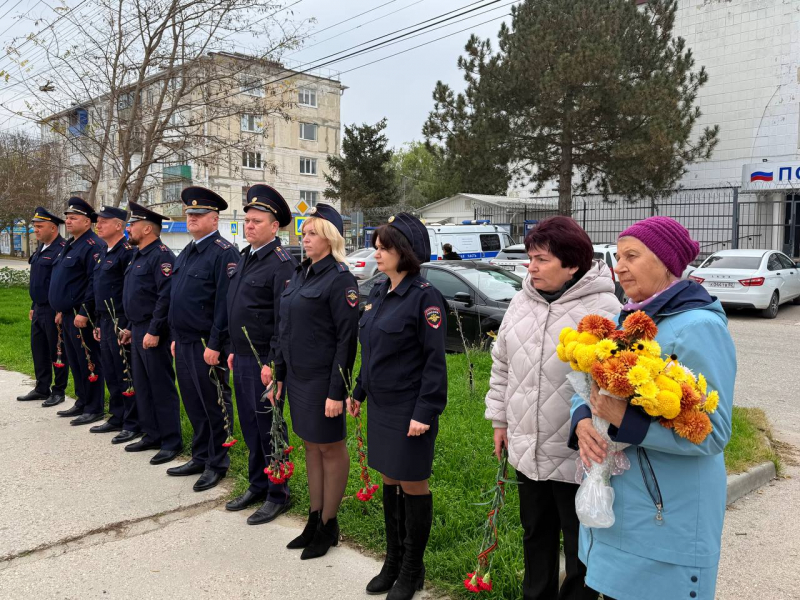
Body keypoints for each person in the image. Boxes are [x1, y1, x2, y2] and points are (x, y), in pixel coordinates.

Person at [568, 216, 736, 600]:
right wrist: (582, 421)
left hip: (665, 519)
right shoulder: (623, 320)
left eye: (632, 255)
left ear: (666, 262)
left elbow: (715, 432)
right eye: (617, 255)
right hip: (616, 513)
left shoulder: (698, 327)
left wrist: (625, 421)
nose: (619, 265)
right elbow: (589, 386)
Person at [484, 216, 620, 600]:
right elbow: (503, 364)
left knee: (580, 545)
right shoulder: (522, 300)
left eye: (541, 259)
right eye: (531, 257)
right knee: (535, 533)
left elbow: (613, 382)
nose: (532, 266)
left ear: (572, 264)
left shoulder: (603, 308)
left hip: (577, 451)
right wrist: (499, 419)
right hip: (528, 445)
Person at [347, 213, 447, 600]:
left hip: (410, 410)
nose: (377, 252)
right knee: (389, 477)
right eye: (377, 245)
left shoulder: (425, 297)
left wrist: (425, 412)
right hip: (382, 406)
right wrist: (358, 392)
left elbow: (435, 363)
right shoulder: (378, 292)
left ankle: (411, 569)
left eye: (384, 246)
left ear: (405, 252)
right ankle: (393, 560)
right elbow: (371, 352)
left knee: (412, 482)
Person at [266, 203, 359, 558]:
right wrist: (278, 375)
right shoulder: (299, 275)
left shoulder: (340, 279)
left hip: (324, 382)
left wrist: (337, 391)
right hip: (298, 380)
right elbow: (284, 329)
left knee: (330, 449)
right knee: (310, 446)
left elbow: (346, 341)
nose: (303, 239)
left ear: (330, 237)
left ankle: (329, 524)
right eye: (303, 233)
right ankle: (314, 517)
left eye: (311, 234)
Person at [225, 184, 298, 522]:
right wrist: (231, 349)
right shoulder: (245, 257)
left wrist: (272, 362)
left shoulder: (281, 264)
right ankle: (257, 483)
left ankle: (278, 491)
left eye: (256, 221)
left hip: (263, 363)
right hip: (240, 357)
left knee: (271, 425)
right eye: (247, 220)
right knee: (251, 425)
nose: (249, 225)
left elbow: (282, 320)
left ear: (274, 226)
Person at [166, 187, 240, 492]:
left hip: (205, 344)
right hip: (183, 341)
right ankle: (200, 455)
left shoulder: (224, 252)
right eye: (189, 214)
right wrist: (174, 335)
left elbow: (225, 303)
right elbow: (178, 296)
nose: (191, 218)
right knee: (193, 402)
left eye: (198, 215)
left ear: (214, 219)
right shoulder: (188, 250)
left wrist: (215, 343)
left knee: (213, 402)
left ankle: (217, 462)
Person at [121, 201, 182, 465]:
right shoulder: (139, 254)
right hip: (136, 328)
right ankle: (152, 433)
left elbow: (165, 296)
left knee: (160, 385)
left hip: (152, 329)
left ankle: (171, 441)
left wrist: (155, 330)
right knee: (143, 385)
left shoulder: (161, 255)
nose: (128, 229)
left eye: (132, 225)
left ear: (147, 229)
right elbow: (134, 294)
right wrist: (128, 326)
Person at [49, 197, 106, 426]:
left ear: (87, 222)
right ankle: (82, 401)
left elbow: (94, 283)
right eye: (67, 217)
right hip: (69, 314)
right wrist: (62, 309)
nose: (68, 221)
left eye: (74, 218)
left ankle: (94, 407)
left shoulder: (93, 246)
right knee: (76, 360)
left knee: (89, 360)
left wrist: (84, 311)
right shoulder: (72, 244)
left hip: (84, 316)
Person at [89, 206, 140, 443]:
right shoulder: (104, 253)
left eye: (103, 222)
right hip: (105, 320)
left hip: (120, 319)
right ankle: (117, 415)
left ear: (119, 225)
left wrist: (127, 324)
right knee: (110, 369)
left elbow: (129, 292)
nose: (98, 226)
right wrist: (99, 321)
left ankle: (133, 422)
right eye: (98, 222)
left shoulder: (127, 252)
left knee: (125, 372)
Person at [19, 206, 69, 408]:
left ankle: (59, 391)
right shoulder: (42, 248)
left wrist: (59, 309)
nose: (36, 231)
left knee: (56, 351)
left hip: (53, 309)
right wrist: (33, 304)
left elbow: (61, 283)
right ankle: (42, 387)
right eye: (35, 227)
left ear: (53, 228)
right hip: (39, 307)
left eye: (40, 227)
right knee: (38, 349)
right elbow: (39, 281)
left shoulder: (62, 249)